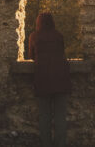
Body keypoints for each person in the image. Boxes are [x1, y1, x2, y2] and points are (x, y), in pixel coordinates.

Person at [28, 12, 71, 147]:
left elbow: (31, 56)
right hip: (61, 79)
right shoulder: (59, 36)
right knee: (60, 117)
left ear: (38, 22)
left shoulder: (34, 36)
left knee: (44, 117)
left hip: (43, 79)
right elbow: (61, 53)